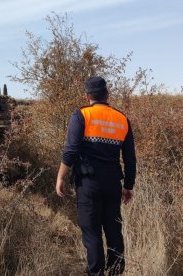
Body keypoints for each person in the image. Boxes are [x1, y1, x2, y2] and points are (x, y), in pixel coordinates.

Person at [55, 76, 136, 275]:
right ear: (107, 94)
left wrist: (60, 177)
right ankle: (116, 272)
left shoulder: (82, 115)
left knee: (92, 234)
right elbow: (130, 157)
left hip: (88, 184)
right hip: (113, 184)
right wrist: (128, 185)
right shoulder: (122, 118)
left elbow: (71, 151)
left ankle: (96, 273)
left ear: (88, 95)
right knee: (114, 232)